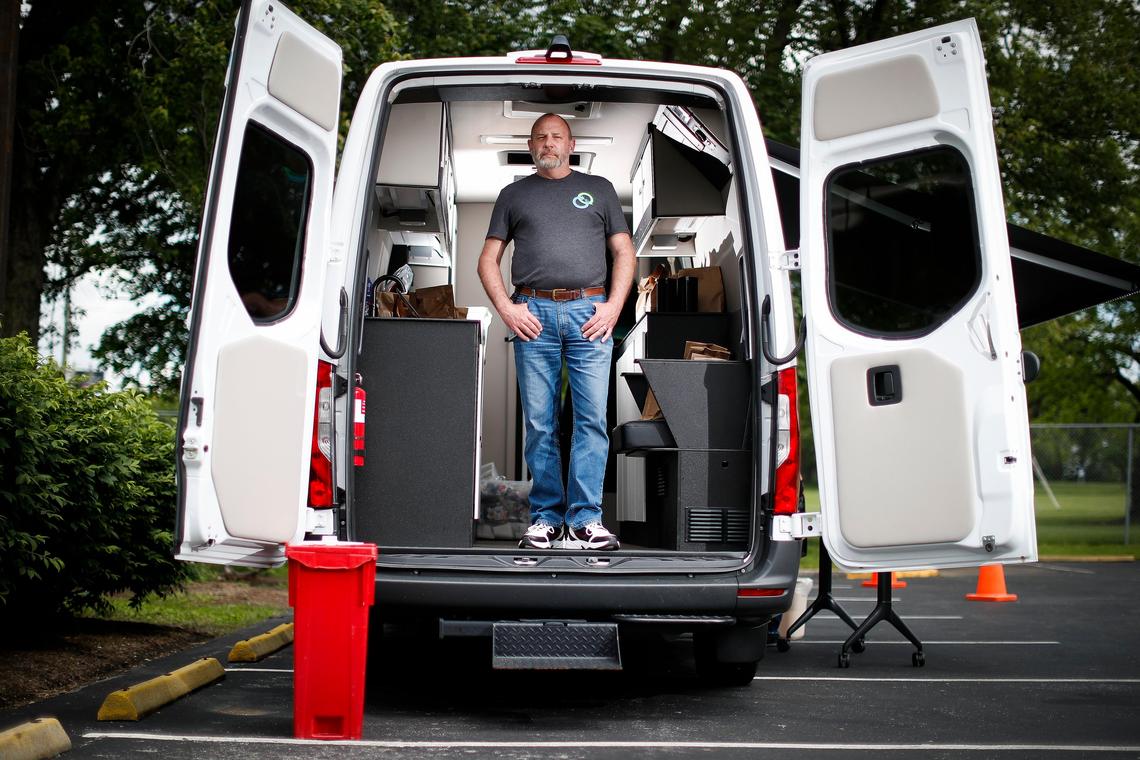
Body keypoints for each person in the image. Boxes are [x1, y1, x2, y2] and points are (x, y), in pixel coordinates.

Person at [478, 113, 636, 551]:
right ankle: (547, 519)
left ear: (570, 144)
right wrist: (508, 309)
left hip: (590, 313)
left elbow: (624, 251)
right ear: (531, 145)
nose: (548, 143)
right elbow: (487, 260)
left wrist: (614, 306)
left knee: (589, 420)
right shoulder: (513, 195)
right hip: (532, 313)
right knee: (540, 422)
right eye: (541, 137)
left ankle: (586, 520)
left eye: (557, 137)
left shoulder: (599, 190)